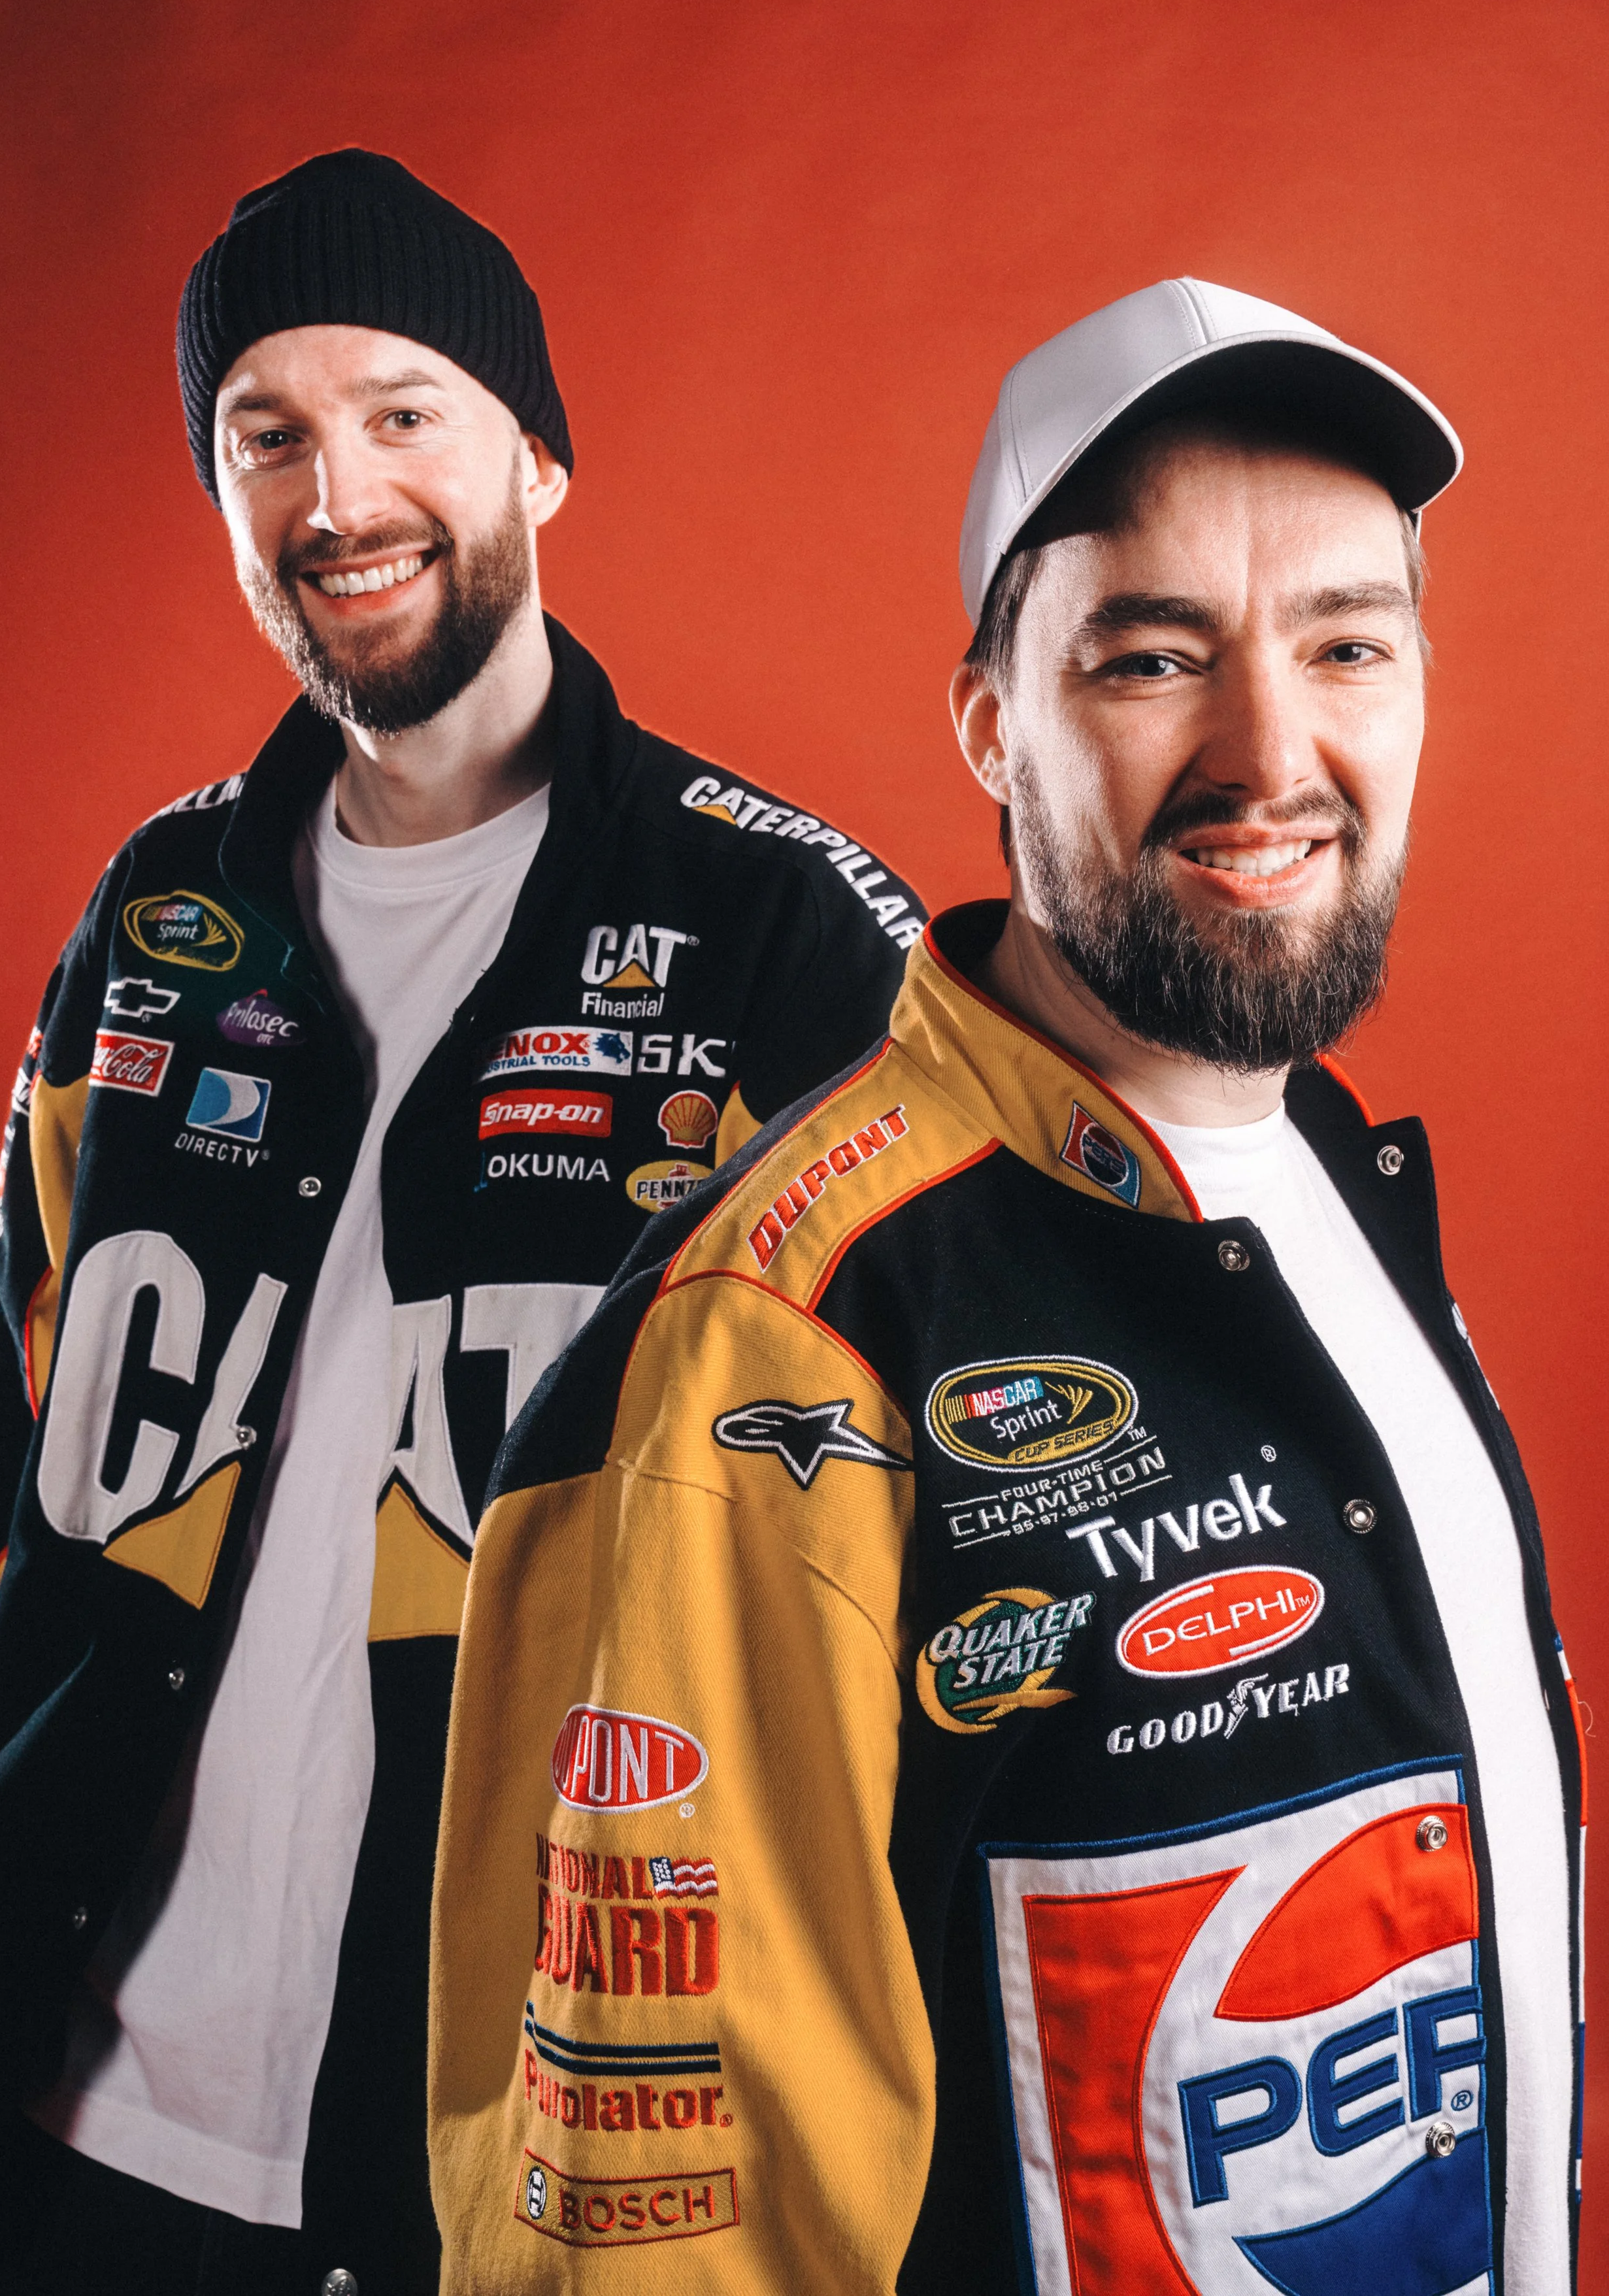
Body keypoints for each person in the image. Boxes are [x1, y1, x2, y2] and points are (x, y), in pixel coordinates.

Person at [429, 278, 1582, 2293]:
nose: (1270, 748)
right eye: (1151, 658)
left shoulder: (1327, 1172)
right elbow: (655, 2237)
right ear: (991, 723)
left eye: (1344, 642)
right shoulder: (783, 1339)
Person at [0, 148, 925, 2296]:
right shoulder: (160, 909)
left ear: (540, 456)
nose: (338, 495)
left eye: (404, 409)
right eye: (268, 434)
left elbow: (901, 1568)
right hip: (61, 2115)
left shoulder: (781, 932)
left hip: (494, 2157)